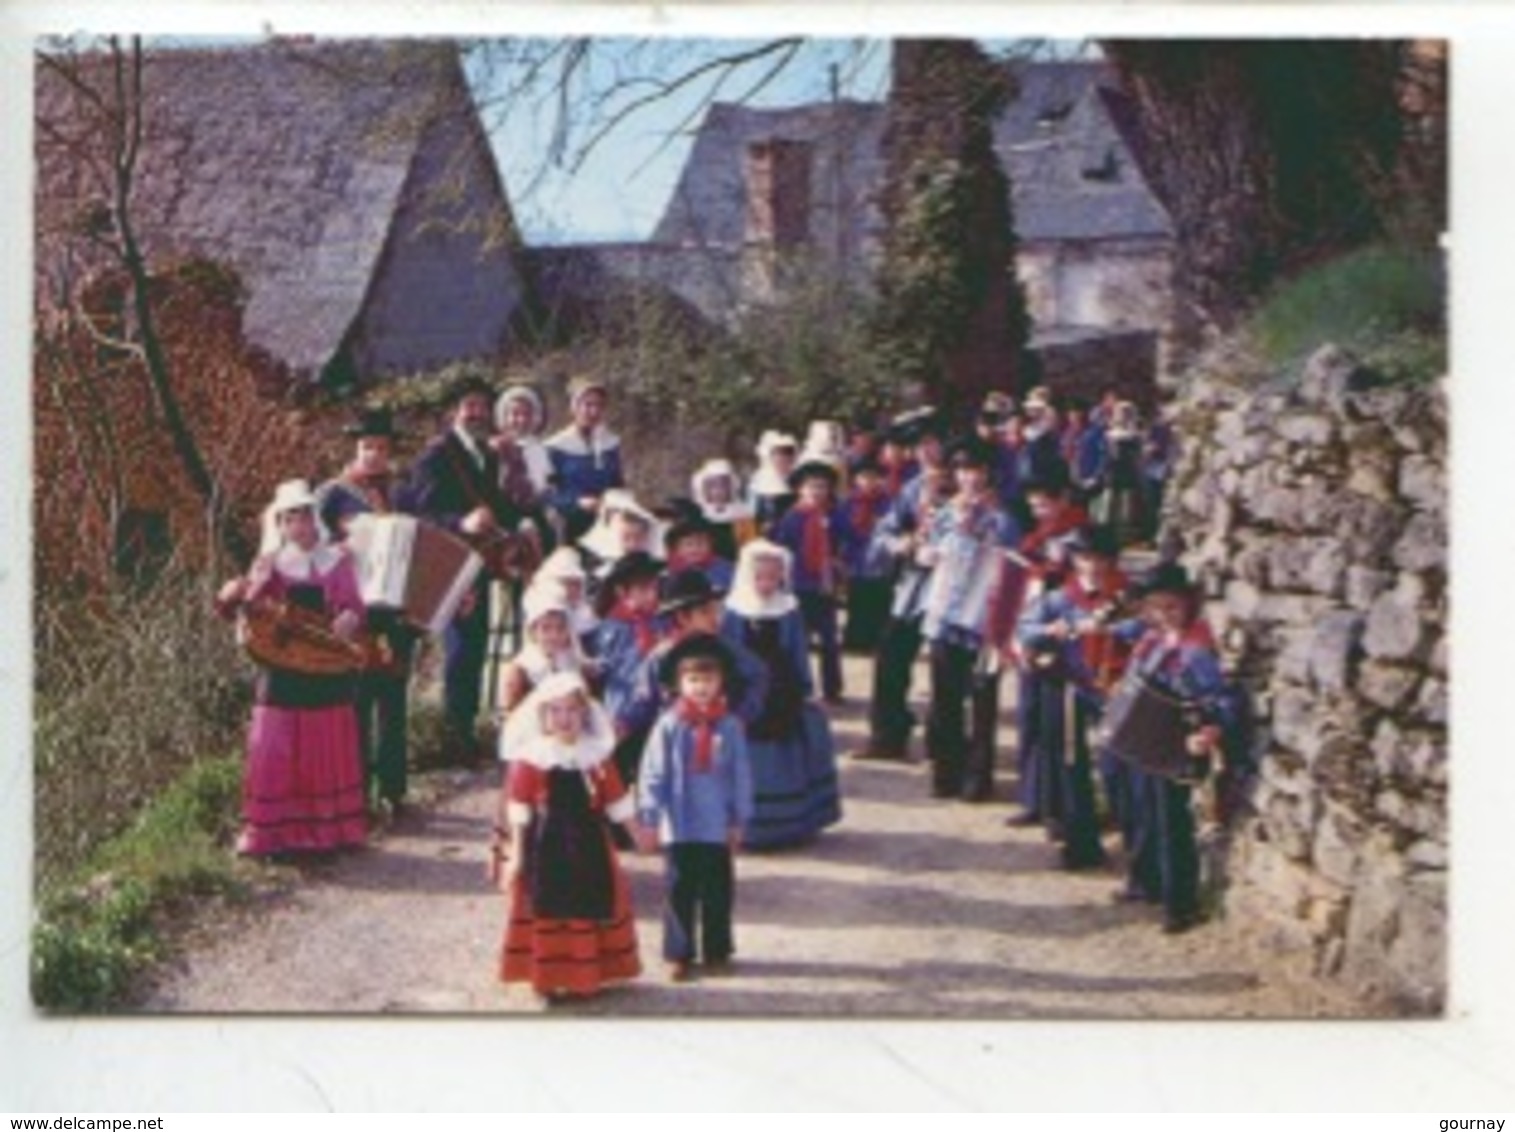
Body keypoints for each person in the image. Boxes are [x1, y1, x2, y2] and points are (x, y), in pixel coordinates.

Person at [215, 480, 367, 857]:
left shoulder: (338, 561)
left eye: (305, 516)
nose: (300, 524)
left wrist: (348, 618)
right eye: (290, 518)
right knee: (275, 746)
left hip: (327, 665)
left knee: (323, 743)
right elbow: (247, 612)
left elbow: (354, 606)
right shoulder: (269, 565)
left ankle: (328, 832)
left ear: (316, 519)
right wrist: (241, 592)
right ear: (279, 524)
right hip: (281, 667)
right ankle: (270, 834)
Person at [493, 671, 649, 1000]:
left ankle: (585, 974)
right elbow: (519, 809)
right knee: (547, 905)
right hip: (544, 843)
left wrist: (638, 833)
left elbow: (616, 799)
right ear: (543, 716)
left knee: (589, 902)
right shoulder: (533, 758)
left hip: (588, 841)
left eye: (572, 710)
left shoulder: (595, 756)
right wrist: (517, 855)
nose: (564, 718)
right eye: (556, 711)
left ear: (585, 713)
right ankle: (549, 977)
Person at [1108, 562, 1235, 934]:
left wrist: (1210, 729)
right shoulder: (1150, 640)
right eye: (1155, 608)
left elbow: (1219, 699)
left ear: (1189, 604)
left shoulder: (1197, 650)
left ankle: (1179, 904)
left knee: (1171, 821)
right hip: (1143, 741)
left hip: (1177, 743)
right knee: (1139, 809)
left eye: (1172, 608)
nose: (1164, 616)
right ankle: (1145, 880)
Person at [406, 371, 523, 763]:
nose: (476, 413)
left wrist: (522, 520)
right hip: (448, 561)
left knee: (476, 645)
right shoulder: (436, 455)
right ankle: (454, 738)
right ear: (455, 412)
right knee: (458, 649)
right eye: (469, 406)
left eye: (482, 407)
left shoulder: (487, 455)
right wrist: (461, 522)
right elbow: (419, 514)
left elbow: (496, 505)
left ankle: (467, 731)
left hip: (479, 562)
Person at [316, 407, 419, 816]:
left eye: (381, 447)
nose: (374, 454)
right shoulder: (332, 494)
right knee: (357, 702)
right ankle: (356, 794)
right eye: (367, 447)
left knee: (394, 701)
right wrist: (335, 552)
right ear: (355, 449)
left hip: (395, 612)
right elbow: (313, 548)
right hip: (354, 611)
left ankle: (393, 790)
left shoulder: (404, 493)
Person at [638, 633, 755, 981]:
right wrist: (650, 816)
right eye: (693, 680)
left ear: (721, 682)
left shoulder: (730, 726)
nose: (701, 687)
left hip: (716, 824)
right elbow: (653, 771)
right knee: (679, 890)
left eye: (708, 679)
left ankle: (717, 950)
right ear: (679, 684)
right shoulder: (670, 725)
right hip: (680, 823)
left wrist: (738, 819)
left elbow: (740, 774)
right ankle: (679, 952)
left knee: (718, 889)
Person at [1014, 526, 1130, 869]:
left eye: (1099, 559)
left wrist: (1109, 627)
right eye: (1084, 558)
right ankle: (1080, 843)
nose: (1092, 566)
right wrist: (1050, 631)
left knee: (1115, 765)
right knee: (1071, 764)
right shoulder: (1060, 598)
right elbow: (1025, 627)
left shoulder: (1125, 596)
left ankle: (1129, 836)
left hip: (1115, 690)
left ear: (1110, 562)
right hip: (1074, 688)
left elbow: (1143, 626)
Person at [722, 540, 841, 848]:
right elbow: (728, 652)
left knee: (785, 750)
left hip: (782, 688)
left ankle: (788, 824)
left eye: (773, 578)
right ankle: (748, 827)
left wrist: (806, 689)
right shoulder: (733, 610)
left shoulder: (788, 609)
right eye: (760, 577)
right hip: (746, 690)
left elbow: (797, 650)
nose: (766, 584)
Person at [919, 438, 1018, 801]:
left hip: (982, 618)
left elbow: (1011, 563)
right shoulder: (945, 511)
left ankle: (978, 777)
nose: (969, 478)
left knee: (982, 700)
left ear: (988, 475)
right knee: (945, 698)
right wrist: (928, 549)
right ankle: (946, 773)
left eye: (975, 471)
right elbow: (926, 551)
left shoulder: (1001, 517)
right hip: (945, 612)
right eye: (962, 471)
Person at [997, 472, 1091, 827]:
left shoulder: (1078, 536)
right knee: (1030, 717)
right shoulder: (1037, 537)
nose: (1039, 512)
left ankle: (1059, 805)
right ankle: (1033, 796)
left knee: (1058, 726)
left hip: (1062, 637)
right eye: (1034, 505)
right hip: (1034, 628)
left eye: (1045, 504)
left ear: (1063, 498)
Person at [860, 411, 950, 761]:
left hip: (952, 587)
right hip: (914, 584)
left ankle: (945, 745)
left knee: (947, 665)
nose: (925, 452)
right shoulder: (912, 488)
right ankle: (888, 734)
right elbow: (884, 532)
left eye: (931, 443)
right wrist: (903, 543)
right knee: (891, 653)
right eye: (918, 446)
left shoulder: (966, 485)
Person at [770, 453, 857, 703]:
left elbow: (850, 540)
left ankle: (833, 688)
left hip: (824, 584)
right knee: (799, 639)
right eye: (811, 486)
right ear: (799, 489)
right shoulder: (791, 517)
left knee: (829, 639)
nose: (817, 491)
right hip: (798, 584)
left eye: (822, 486)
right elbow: (781, 548)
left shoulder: (835, 514)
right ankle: (799, 686)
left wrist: (840, 560)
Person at [593, 550, 667, 786]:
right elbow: (605, 667)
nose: (651, 595)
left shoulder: (662, 621)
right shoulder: (612, 626)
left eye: (654, 588)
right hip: (623, 706)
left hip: (655, 706)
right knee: (621, 772)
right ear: (621, 592)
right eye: (643, 589)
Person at [545, 375, 624, 542]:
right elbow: (549, 493)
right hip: (570, 524)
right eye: (588, 405)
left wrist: (616, 501)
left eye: (599, 406)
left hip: (606, 520)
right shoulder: (556, 447)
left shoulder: (609, 443)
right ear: (574, 407)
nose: (594, 411)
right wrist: (577, 502)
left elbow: (617, 483)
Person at [839, 456, 895, 655]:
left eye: (873, 477)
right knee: (857, 600)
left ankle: (877, 641)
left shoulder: (888, 502)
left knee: (880, 601)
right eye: (864, 477)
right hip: (856, 559)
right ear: (856, 479)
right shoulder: (847, 503)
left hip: (881, 560)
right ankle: (856, 640)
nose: (869, 481)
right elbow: (841, 530)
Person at [689, 458, 756, 561]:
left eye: (723, 486)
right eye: (712, 486)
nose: (718, 491)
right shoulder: (695, 516)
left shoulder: (743, 516)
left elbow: (750, 547)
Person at [663, 510, 736, 593]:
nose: (695, 549)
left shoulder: (726, 568)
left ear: (711, 544)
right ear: (677, 549)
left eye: (700, 543)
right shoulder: (672, 574)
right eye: (688, 544)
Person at [748, 430, 800, 533]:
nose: (783, 458)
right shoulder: (758, 482)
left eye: (788, 454)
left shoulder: (799, 480)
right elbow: (752, 513)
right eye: (778, 454)